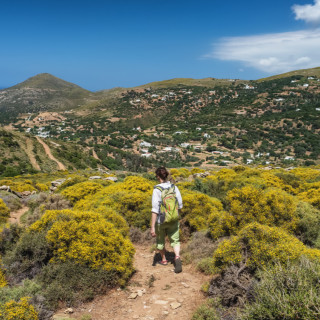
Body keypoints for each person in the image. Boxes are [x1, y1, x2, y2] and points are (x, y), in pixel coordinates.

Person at [150, 166, 183, 273]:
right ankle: (177, 257)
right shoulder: (174, 187)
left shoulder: (157, 189)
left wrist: (152, 227)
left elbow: (155, 209)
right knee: (175, 239)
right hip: (173, 218)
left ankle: (164, 260)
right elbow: (180, 204)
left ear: (158, 177)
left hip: (161, 220)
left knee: (160, 240)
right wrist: (176, 216)